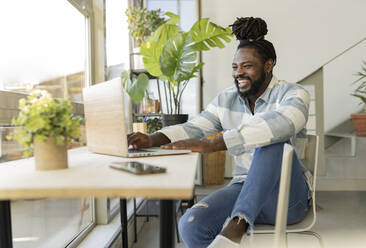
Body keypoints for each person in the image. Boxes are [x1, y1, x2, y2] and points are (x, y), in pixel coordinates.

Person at [128, 17, 311, 248]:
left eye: (247, 66)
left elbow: (288, 121)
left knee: (273, 139)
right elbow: (194, 127)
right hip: (242, 187)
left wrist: (216, 143)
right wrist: (152, 138)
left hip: (286, 196)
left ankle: (236, 225)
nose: (238, 73)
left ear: (268, 66)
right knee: (190, 224)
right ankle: (231, 233)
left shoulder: (293, 92)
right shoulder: (226, 99)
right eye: (235, 67)